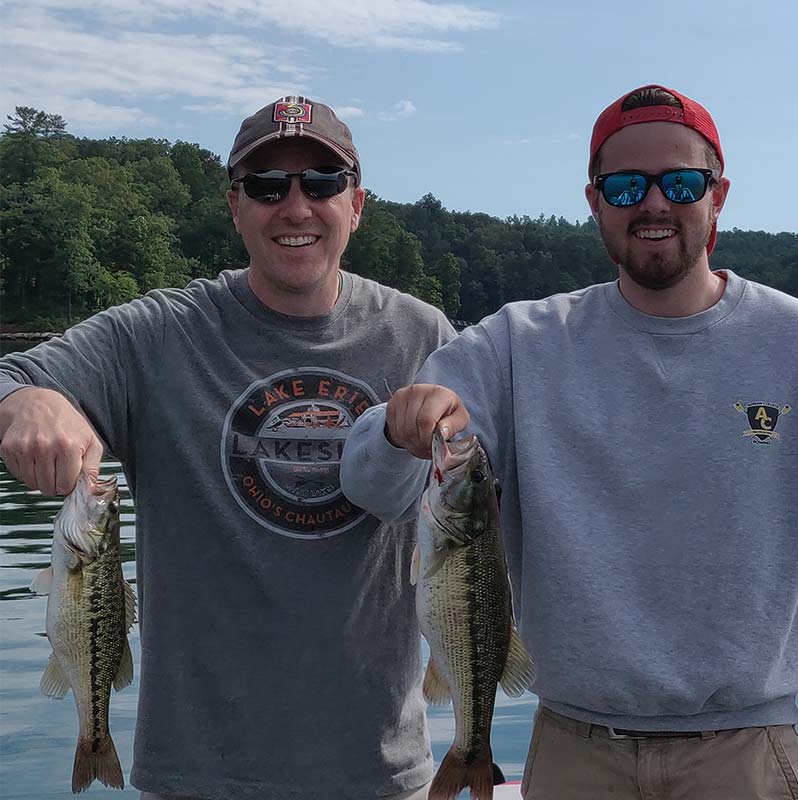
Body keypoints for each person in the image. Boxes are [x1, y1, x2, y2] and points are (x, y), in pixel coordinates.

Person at [340, 84, 798, 799]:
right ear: (593, 201)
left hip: (748, 749)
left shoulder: (791, 342)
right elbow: (369, 487)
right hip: (573, 749)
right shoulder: (518, 343)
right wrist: (397, 427)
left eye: (681, 183)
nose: (654, 204)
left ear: (719, 194)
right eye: (625, 186)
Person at [0, 96, 456, 800]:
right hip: (197, 776)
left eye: (322, 183)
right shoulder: (155, 337)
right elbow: (13, 375)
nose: (295, 207)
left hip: (379, 773)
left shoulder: (420, 336)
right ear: (235, 206)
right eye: (268, 187)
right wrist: (28, 399)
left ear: (357, 203)